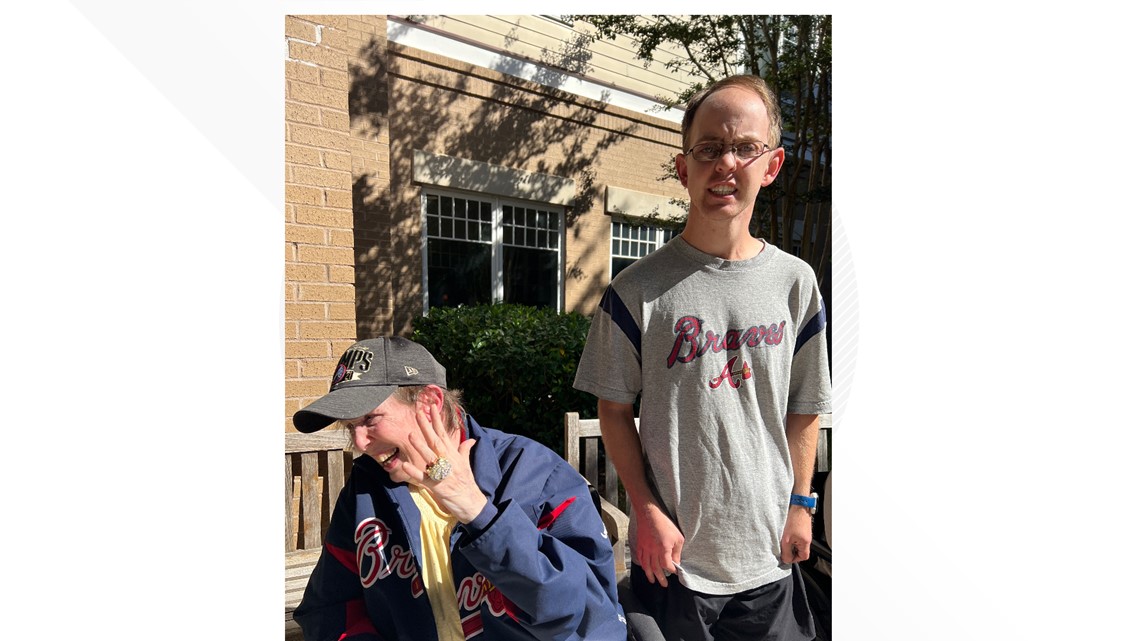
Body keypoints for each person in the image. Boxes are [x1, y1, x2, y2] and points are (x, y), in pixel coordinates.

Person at [573, 74, 831, 641]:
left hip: (768, 557)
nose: (726, 164)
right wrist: (643, 511)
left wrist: (801, 506)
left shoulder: (796, 284)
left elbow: (805, 408)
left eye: (745, 148)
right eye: (709, 148)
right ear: (683, 166)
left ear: (773, 165)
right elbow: (613, 411)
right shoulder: (636, 290)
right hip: (674, 562)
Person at [292, 337, 627, 641]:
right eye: (351, 428)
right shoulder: (367, 487)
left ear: (430, 403)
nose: (361, 443)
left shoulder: (540, 477)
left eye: (369, 419)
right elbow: (328, 608)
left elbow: (581, 614)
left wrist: (477, 512)